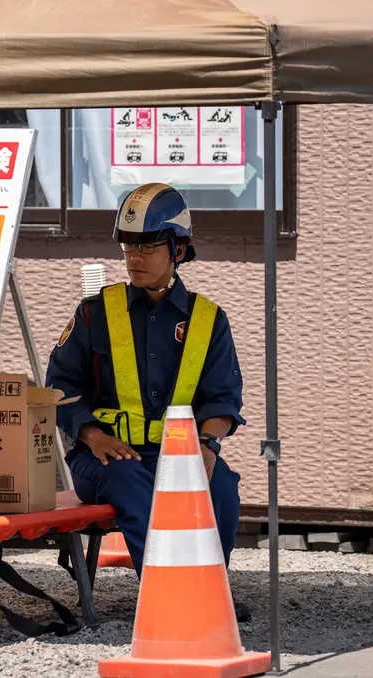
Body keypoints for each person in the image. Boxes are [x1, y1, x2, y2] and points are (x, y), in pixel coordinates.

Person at [45, 182, 249, 620]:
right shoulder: (93, 312)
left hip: (182, 452)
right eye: (128, 246)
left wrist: (208, 448)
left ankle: (209, 592)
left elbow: (223, 398)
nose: (134, 257)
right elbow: (58, 387)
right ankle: (168, 598)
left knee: (223, 488)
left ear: (178, 249)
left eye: (148, 246)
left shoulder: (209, 320)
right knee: (131, 485)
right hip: (100, 458)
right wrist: (92, 434)